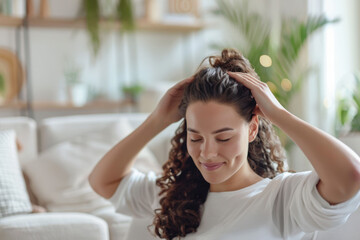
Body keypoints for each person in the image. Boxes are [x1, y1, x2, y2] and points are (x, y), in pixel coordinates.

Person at [89, 49, 360, 240]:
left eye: (224, 138)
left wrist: (279, 115)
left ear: (252, 128)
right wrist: (157, 121)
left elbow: (350, 176)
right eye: (195, 137)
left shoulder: (281, 199)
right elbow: (103, 181)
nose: (207, 153)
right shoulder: (174, 195)